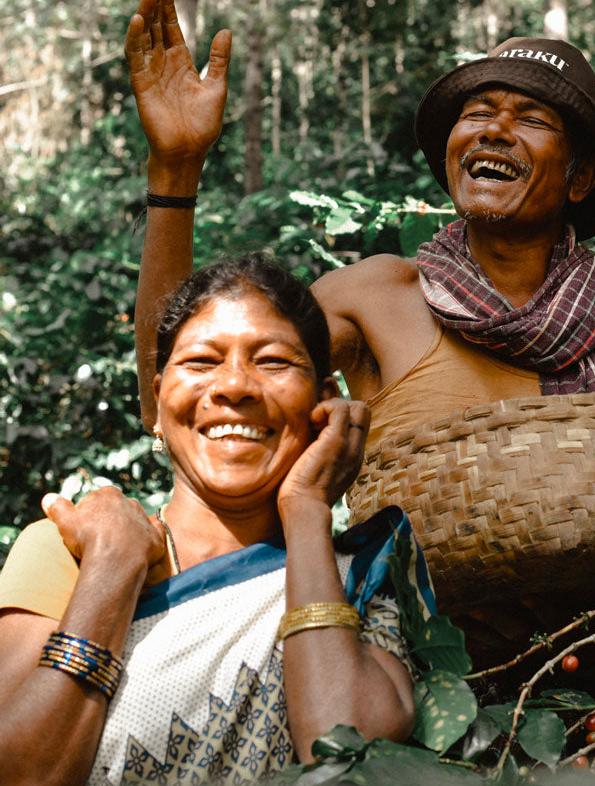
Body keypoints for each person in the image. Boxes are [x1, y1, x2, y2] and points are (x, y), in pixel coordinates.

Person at [127, 0, 595, 462]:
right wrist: (176, 169)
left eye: (532, 119)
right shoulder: (372, 299)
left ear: (579, 178)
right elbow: (179, 397)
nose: (493, 131)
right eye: (479, 113)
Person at [0, 254, 431, 785]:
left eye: (273, 362)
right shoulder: (70, 551)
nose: (234, 386)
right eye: (202, 362)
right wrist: (111, 570)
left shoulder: (364, 574)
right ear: (158, 402)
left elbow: (343, 752)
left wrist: (306, 511)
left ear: (326, 401)